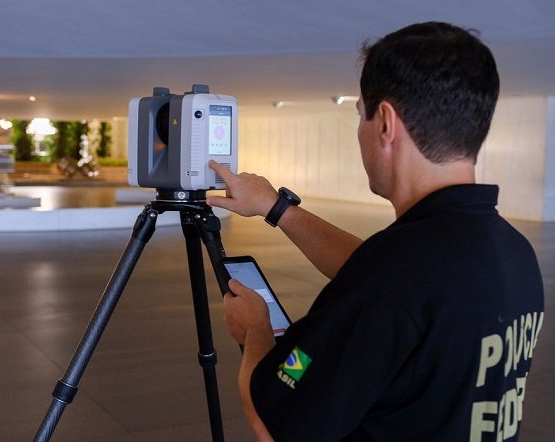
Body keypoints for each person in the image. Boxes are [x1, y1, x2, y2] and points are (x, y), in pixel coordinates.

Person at [207, 22, 545, 441]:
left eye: (360, 115)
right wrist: (278, 209)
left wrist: (255, 329)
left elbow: (272, 423)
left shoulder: (397, 272)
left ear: (385, 122)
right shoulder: (513, 253)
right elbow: (390, 285)